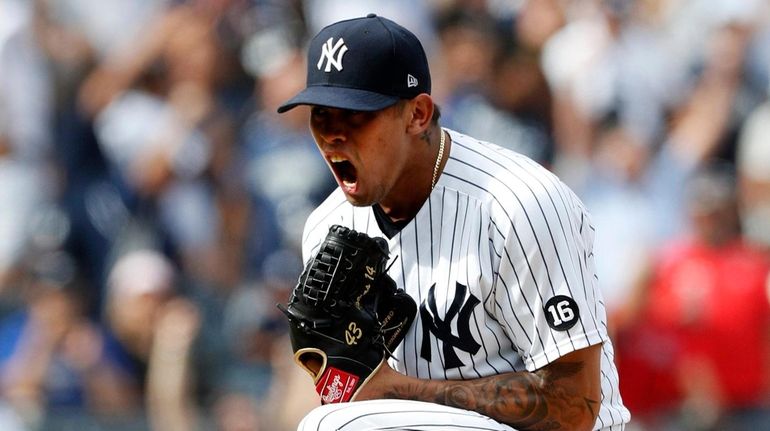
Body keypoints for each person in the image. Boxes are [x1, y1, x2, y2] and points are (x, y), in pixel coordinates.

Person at [275, 13, 630, 431]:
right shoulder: (326, 227)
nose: (333, 136)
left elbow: (576, 406)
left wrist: (392, 388)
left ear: (418, 114)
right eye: (321, 115)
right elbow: (353, 394)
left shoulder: (519, 204)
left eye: (355, 115)